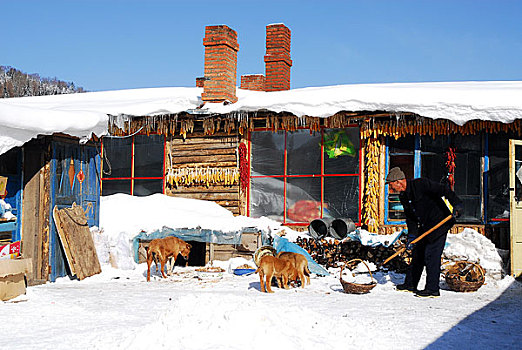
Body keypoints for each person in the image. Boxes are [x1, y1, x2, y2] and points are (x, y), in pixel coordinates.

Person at [386, 167, 463, 298]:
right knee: (418, 254)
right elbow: (410, 217)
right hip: (425, 225)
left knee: (431, 255)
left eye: (392, 185)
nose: (391, 188)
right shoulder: (404, 196)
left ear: (399, 181)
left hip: (439, 223)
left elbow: (443, 190)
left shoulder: (421, 184)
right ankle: (410, 284)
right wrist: (412, 235)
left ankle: (432, 289)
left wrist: (457, 204)